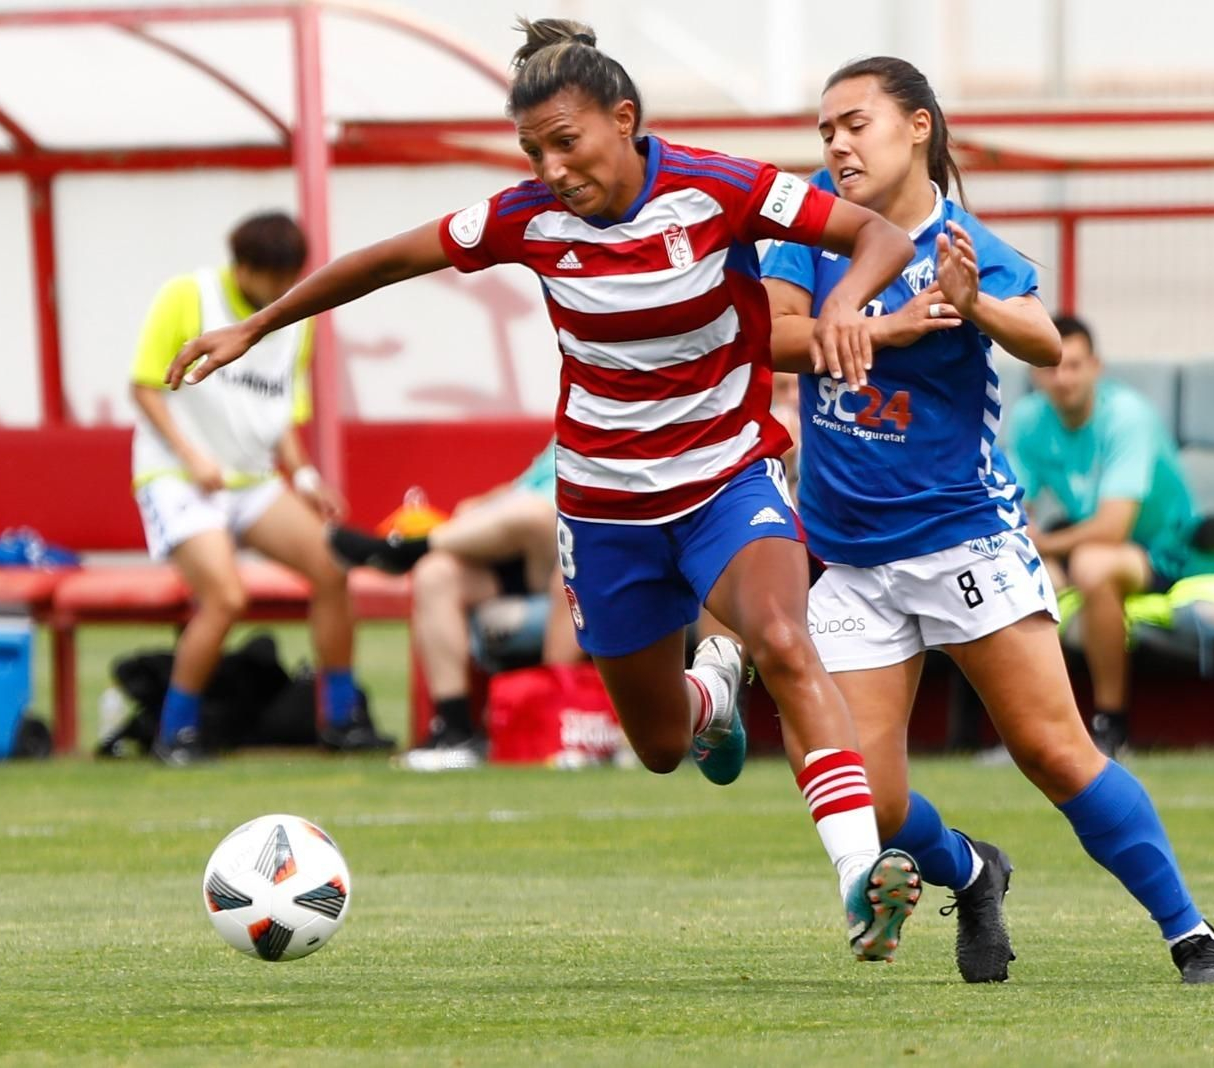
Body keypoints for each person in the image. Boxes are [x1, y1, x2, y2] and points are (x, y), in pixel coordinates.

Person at [166, 18, 927, 961]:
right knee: (658, 744)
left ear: (624, 118)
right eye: (534, 151)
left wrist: (844, 301)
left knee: (781, 637)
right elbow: (387, 260)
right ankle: (709, 696)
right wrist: (257, 327)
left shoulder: (721, 187)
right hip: (604, 509)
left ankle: (859, 882)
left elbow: (876, 234)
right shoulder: (525, 217)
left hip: (729, 477)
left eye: (567, 142)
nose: (553, 168)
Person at [762, 56, 1214, 984]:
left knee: (1054, 753)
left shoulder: (964, 244)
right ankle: (975, 873)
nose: (837, 145)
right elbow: (773, 334)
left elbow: (1045, 341)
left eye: (856, 124)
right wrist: (883, 328)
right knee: (868, 800)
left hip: (962, 542)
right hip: (852, 561)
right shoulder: (807, 222)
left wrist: (970, 298)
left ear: (918, 128)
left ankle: (1190, 933)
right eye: (826, 130)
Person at [129, 211, 393, 765]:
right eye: (272, 276)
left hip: (252, 480)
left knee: (333, 569)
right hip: (179, 479)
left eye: (289, 277)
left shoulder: (296, 318)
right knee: (226, 596)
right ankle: (175, 733)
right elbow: (145, 387)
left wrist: (305, 477)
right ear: (242, 266)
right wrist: (192, 457)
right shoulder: (189, 296)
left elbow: (279, 414)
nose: (281, 288)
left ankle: (341, 720)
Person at [1005, 315, 1214, 757]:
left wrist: (1043, 544)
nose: (1063, 379)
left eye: (1073, 365)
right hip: (1082, 542)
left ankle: (1110, 728)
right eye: (1050, 367)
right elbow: (1014, 509)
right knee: (1018, 571)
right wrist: (1029, 547)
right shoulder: (1027, 419)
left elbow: (1112, 528)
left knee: (1092, 564)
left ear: (1096, 367)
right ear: (1034, 373)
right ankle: (1033, 734)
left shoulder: (1127, 417)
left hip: (1170, 553)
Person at [329, 439, 584, 771]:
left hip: (572, 559)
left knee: (536, 516)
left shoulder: (622, 426)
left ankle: (406, 550)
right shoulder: (567, 427)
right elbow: (524, 488)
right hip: (524, 558)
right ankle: (455, 730)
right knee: (434, 574)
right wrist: (484, 510)